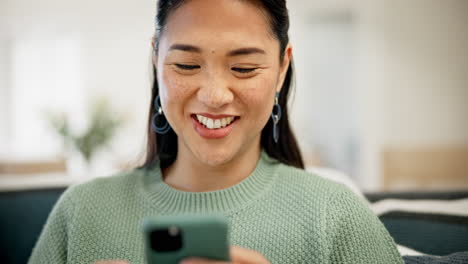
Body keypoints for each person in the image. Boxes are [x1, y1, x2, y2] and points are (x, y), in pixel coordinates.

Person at [28, 0, 404, 263]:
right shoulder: (81, 214)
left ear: (282, 67)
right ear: (156, 57)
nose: (213, 96)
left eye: (243, 68)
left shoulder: (336, 216)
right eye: (187, 64)